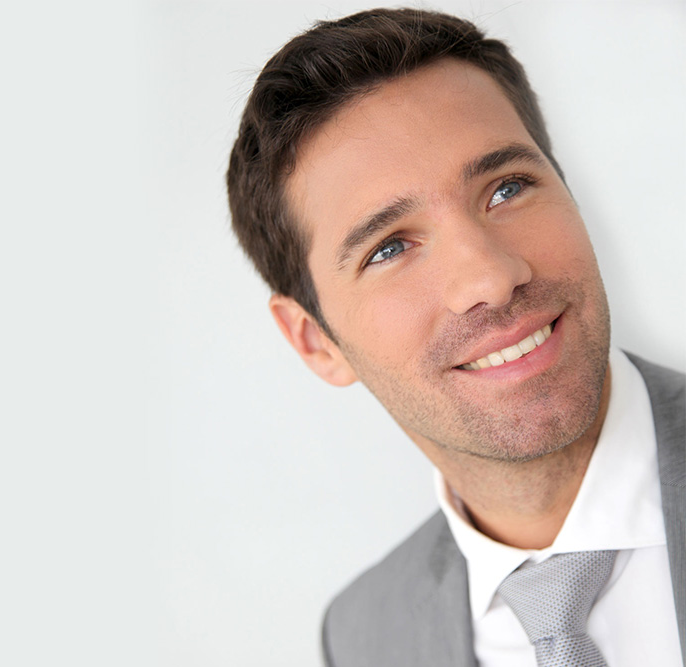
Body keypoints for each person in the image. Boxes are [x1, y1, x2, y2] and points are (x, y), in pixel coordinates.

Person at [226, 8, 684, 667]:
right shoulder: (361, 637)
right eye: (389, 249)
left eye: (507, 188)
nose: (490, 279)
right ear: (314, 342)